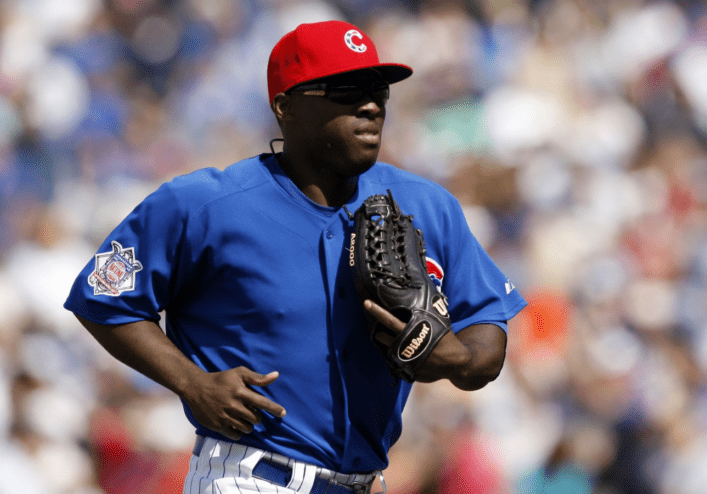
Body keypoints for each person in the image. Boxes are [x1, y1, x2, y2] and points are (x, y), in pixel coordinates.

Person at [64, 19, 527, 494]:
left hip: (365, 482)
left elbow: (488, 329)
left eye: (378, 91)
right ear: (286, 107)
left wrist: (457, 357)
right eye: (346, 90)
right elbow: (101, 298)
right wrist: (191, 383)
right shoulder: (204, 205)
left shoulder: (427, 205)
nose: (370, 106)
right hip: (248, 476)